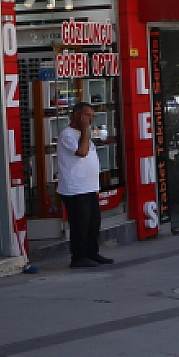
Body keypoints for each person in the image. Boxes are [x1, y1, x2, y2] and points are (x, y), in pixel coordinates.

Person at [57, 103, 111, 267]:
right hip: (75, 189)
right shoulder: (67, 135)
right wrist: (85, 129)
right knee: (80, 224)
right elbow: (82, 152)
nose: (90, 120)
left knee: (93, 222)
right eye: (87, 116)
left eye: (92, 116)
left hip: (89, 187)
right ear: (77, 115)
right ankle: (78, 256)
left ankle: (92, 252)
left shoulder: (83, 134)